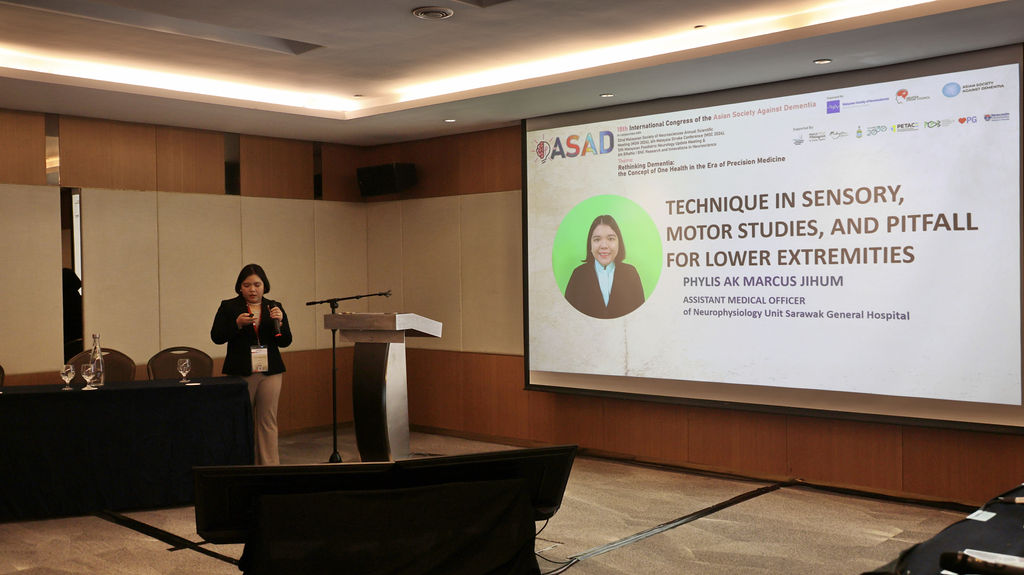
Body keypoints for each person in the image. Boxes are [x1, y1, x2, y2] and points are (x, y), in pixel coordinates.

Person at [211, 263, 292, 465]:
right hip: (241, 371)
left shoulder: (274, 306)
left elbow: (285, 341)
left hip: (270, 371)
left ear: (264, 286)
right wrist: (236, 325)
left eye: (257, 284)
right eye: (247, 285)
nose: (252, 289)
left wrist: (281, 323)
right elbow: (217, 337)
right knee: (241, 421)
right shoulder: (229, 307)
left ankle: (269, 466)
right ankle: (243, 466)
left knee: (268, 421)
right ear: (240, 287)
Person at [564, 214, 645, 319]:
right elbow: (567, 317)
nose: (604, 246)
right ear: (590, 244)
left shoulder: (631, 273)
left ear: (619, 243)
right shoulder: (578, 275)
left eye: (611, 239)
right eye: (597, 239)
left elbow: (640, 316)